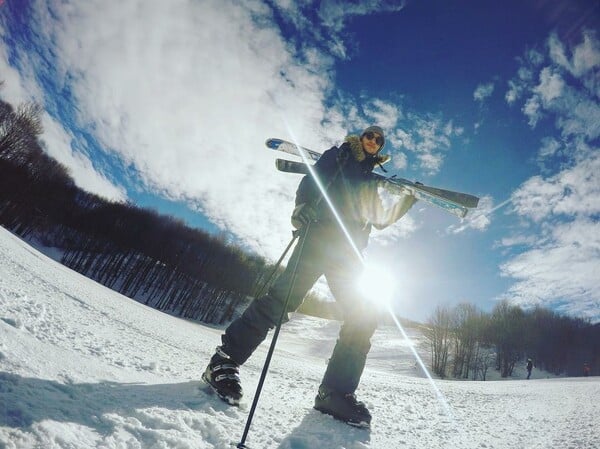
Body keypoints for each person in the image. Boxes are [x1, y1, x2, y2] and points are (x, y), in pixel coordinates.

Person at [202, 126, 416, 427]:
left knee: (364, 316)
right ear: (362, 137)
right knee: (280, 300)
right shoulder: (339, 157)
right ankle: (223, 363)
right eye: (370, 135)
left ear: (380, 149)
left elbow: (380, 220)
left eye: (379, 140)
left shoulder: (370, 181)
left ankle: (334, 394)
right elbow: (310, 183)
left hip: (348, 254)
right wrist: (300, 210)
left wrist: (408, 201)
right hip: (318, 237)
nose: (373, 140)